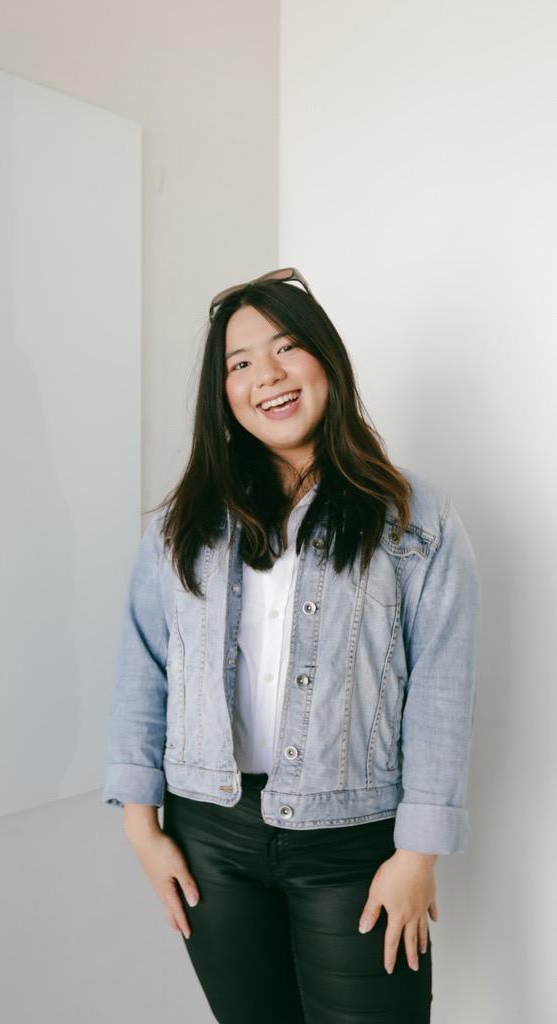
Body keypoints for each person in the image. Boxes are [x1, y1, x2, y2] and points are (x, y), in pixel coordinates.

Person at [101, 268, 482, 1023]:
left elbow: (443, 687)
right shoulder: (182, 526)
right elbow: (144, 666)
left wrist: (417, 855)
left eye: (286, 349)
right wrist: (142, 829)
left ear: (327, 363)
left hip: (356, 842)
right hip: (211, 834)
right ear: (223, 393)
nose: (266, 377)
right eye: (239, 364)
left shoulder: (414, 520)